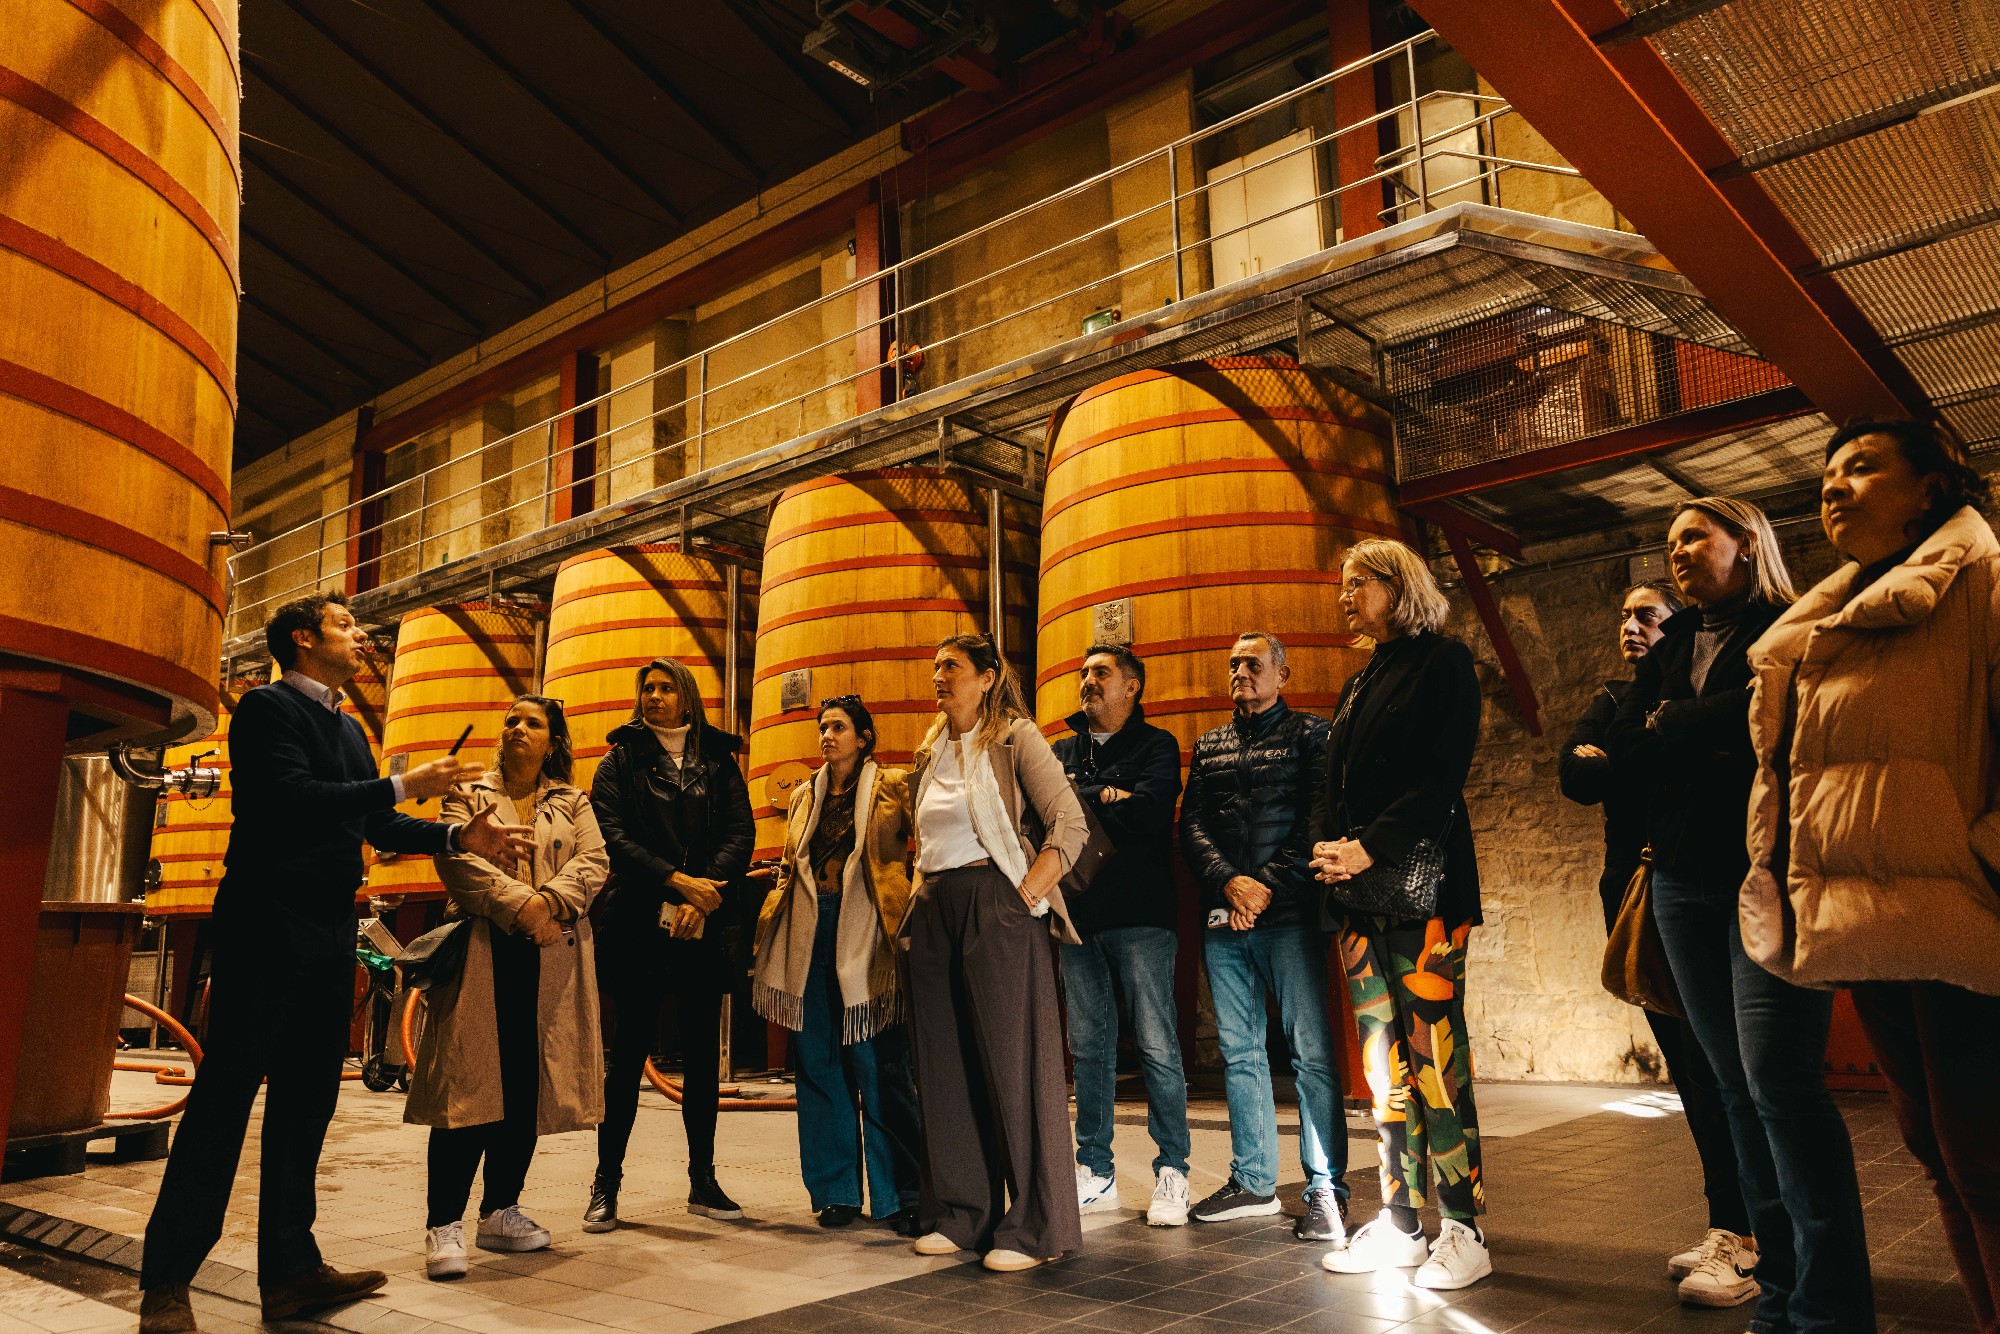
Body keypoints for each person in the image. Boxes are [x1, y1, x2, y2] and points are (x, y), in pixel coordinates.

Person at [138, 594, 533, 1334]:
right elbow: (293, 799)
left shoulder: (350, 727)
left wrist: (458, 839)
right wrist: (406, 784)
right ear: (302, 638)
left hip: (326, 929)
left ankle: (290, 1271)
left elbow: (373, 820)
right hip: (264, 922)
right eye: (344, 625)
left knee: (308, 1101)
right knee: (224, 1103)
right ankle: (166, 1283)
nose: (360, 635)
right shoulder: (265, 710)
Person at [1742, 419, 2000, 1333]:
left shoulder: (1983, 580)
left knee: (1987, 1164)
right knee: (1942, 1161)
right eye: (1827, 473)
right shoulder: (1841, 609)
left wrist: (1981, 860)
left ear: (1933, 486)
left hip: (1966, 919)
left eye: (1862, 467)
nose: (1834, 485)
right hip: (1874, 924)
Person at [1609, 497, 1874, 1333]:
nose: (1679, 549)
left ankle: (1832, 1307)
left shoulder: (1789, 625)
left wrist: (1681, 723)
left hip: (1765, 875)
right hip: (1681, 880)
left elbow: (1786, 728)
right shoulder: (1674, 644)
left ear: (1747, 542)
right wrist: (1694, 730)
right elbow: (1629, 750)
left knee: (1780, 1085)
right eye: (1671, 540)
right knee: (1732, 1086)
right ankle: (1782, 1294)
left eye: (1696, 535)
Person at [1560, 582, 1753, 1297]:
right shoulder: (1615, 698)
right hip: (1633, 891)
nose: (1632, 626)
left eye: (1649, 615)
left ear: (1680, 629)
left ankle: (1744, 1229)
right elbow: (1574, 774)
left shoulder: (1681, 694)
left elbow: (1628, 761)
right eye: (1625, 615)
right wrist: (1637, 749)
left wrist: (1628, 753)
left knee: (1718, 1065)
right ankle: (1729, 1222)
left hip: (1692, 876)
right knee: (1687, 1067)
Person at [1309, 539, 1489, 1292]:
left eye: (1359, 582)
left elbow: (1442, 778)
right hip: (1357, 898)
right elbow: (1333, 782)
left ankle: (1465, 1230)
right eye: (1344, 585)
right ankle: (1403, 1225)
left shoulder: (1444, 663)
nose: (1346, 596)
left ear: (1399, 584)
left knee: (1433, 1059)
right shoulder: (1360, 680)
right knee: (1383, 1066)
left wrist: (1367, 848)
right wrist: (1328, 849)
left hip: (1425, 894)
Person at [902, 633, 1089, 1272]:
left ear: (987, 677)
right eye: (935, 666)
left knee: (1015, 1065)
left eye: (952, 666)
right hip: (935, 906)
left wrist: (1026, 895)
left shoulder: (1015, 738)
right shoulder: (930, 749)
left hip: (997, 901)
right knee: (944, 1067)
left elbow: (1069, 822)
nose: (939, 675)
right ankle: (963, 1214)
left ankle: (1035, 1227)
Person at [408, 695, 609, 1279]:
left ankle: (500, 1210)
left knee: (525, 1085)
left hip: (549, 955)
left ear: (554, 741)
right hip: (483, 947)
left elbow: (595, 861)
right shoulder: (469, 793)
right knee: (467, 1088)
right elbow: (457, 861)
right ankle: (443, 1223)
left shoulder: (573, 801)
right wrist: (523, 906)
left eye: (533, 723)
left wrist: (550, 902)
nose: (518, 728)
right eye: (512, 720)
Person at [1180, 631, 1347, 1245]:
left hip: (1290, 916)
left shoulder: (1311, 735)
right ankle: (1253, 1183)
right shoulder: (1210, 744)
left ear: (1282, 673)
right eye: (1233, 664)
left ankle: (1326, 1190)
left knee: (1310, 1055)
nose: (1240, 672)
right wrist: (1229, 883)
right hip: (1227, 916)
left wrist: (1264, 887)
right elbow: (1192, 824)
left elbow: (1316, 820)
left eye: (1252, 663)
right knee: (1240, 1053)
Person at [586, 656, 754, 1230]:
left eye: (665, 688)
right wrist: (676, 881)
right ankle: (606, 1182)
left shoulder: (718, 760)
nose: (654, 697)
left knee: (703, 1058)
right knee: (627, 1056)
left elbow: (740, 834)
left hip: (702, 922)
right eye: (647, 689)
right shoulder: (619, 760)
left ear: (687, 696)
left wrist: (699, 895)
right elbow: (611, 836)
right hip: (638, 921)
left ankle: (703, 1181)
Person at [750, 695, 922, 1233]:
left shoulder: (893, 786)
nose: (827, 735)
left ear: (864, 738)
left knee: (880, 1063)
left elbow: (925, 844)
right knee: (818, 1062)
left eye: (839, 727)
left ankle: (903, 1195)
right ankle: (837, 1192)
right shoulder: (806, 794)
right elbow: (790, 864)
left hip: (868, 928)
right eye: (823, 727)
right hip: (811, 926)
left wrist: (912, 901)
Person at [1051, 645, 1191, 1227]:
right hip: (1078, 917)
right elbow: (1045, 816)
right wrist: (1110, 794)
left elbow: (1152, 814)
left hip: (1141, 916)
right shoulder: (1060, 750)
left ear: (1131, 685)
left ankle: (1173, 1170)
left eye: (1101, 673)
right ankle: (1096, 1171)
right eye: (1084, 673)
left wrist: (1085, 800)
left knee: (1157, 1045)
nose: (1087, 681)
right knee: (1089, 1049)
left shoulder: (1157, 745)